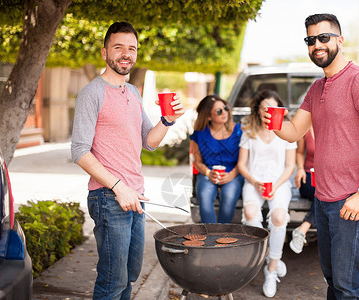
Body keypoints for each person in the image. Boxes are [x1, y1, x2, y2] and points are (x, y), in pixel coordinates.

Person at [263, 14, 359, 299]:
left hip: (352, 199)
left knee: (347, 285)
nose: (317, 45)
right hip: (324, 198)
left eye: (323, 38)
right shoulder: (317, 88)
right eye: (311, 40)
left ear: (340, 40)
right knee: (333, 279)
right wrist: (271, 121)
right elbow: (295, 130)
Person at [71, 22, 184, 300]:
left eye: (131, 48)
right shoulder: (92, 93)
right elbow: (80, 151)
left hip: (137, 197)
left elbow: (150, 140)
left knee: (130, 276)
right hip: (109, 197)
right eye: (118, 47)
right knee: (113, 280)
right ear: (104, 52)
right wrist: (119, 187)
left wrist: (167, 120)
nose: (126, 53)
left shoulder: (133, 92)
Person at [237, 90, 296, 298]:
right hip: (254, 182)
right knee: (251, 213)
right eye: (263, 109)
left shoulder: (288, 132)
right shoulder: (249, 131)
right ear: (258, 111)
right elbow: (241, 165)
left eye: (271, 108)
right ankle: (269, 256)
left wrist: (275, 184)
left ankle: (271, 270)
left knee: (279, 217)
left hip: (279, 184)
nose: (267, 112)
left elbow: (290, 167)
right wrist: (256, 182)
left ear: (279, 110)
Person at [190, 95, 244, 223]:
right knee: (204, 196)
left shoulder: (239, 131)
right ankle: (211, 234)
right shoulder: (199, 134)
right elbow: (197, 161)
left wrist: (231, 175)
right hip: (208, 172)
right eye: (219, 111)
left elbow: (244, 160)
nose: (224, 113)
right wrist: (209, 173)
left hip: (234, 173)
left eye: (225, 108)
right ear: (209, 116)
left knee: (229, 197)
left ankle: (223, 235)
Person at [290, 128, 316, 254]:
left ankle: (302, 229)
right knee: (323, 194)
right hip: (308, 177)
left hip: (327, 178)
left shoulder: (332, 124)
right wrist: (300, 168)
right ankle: (303, 229)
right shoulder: (306, 127)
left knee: (324, 192)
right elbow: (300, 152)